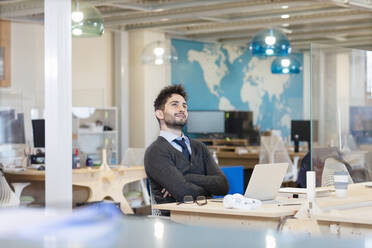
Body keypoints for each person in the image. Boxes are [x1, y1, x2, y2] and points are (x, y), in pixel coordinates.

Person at [144, 84, 229, 213]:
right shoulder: (155, 152)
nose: (182, 109)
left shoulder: (199, 147)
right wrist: (209, 188)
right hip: (174, 224)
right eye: (175, 104)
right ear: (160, 113)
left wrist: (187, 177)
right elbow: (184, 193)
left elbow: (223, 186)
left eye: (184, 106)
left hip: (208, 218)